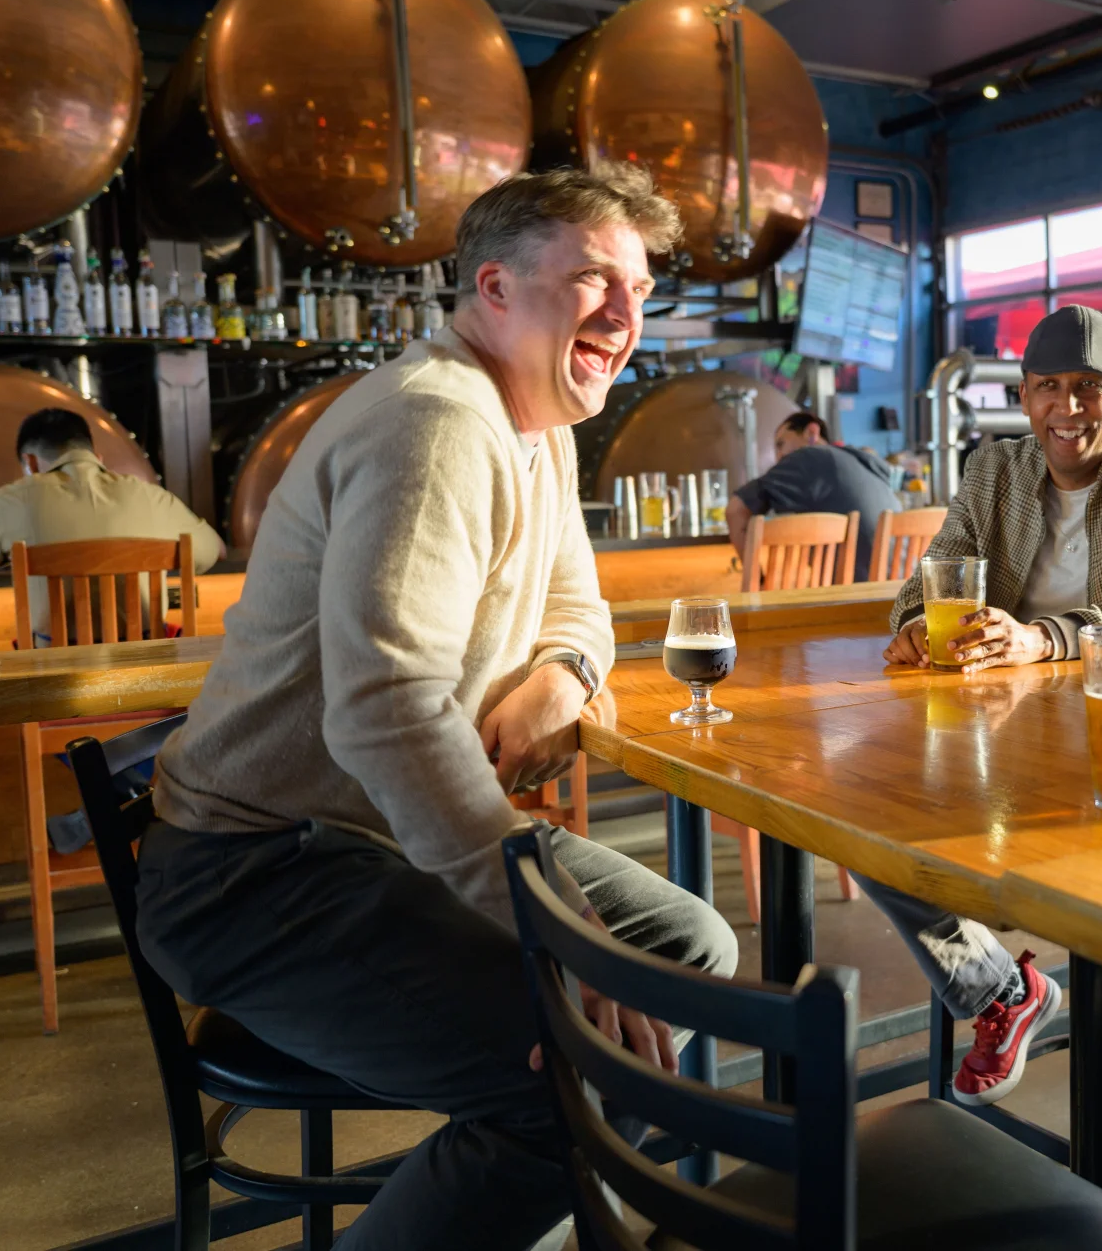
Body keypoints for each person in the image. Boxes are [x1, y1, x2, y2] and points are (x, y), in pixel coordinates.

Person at [134, 166, 738, 1251]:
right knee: (576, 1089)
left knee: (689, 948)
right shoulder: (436, 425)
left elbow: (579, 608)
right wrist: (540, 923)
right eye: (593, 278)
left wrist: (565, 674)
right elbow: (384, 713)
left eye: (641, 288)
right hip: (256, 873)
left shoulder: (536, 424)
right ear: (494, 287)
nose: (625, 313)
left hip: (374, 844)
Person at [873, 303, 1102, 1157]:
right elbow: (932, 572)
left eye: (1092, 387)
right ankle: (999, 990)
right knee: (869, 820)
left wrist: (1041, 638)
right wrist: (921, 622)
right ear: (1024, 397)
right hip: (1006, 727)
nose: (1070, 407)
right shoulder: (995, 467)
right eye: (1050, 388)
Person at [0, 407, 224, 645]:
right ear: (97, 457)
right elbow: (215, 551)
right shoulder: (149, 494)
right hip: (149, 670)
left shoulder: (11, 500)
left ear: (29, 462)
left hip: (56, 678)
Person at [726, 410, 902, 580]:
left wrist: (759, 582)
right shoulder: (864, 463)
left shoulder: (807, 456)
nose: (778, 456)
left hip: (855, 600)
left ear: (811, 432)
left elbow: (735, 510)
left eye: (781, 444)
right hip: (901, 593)